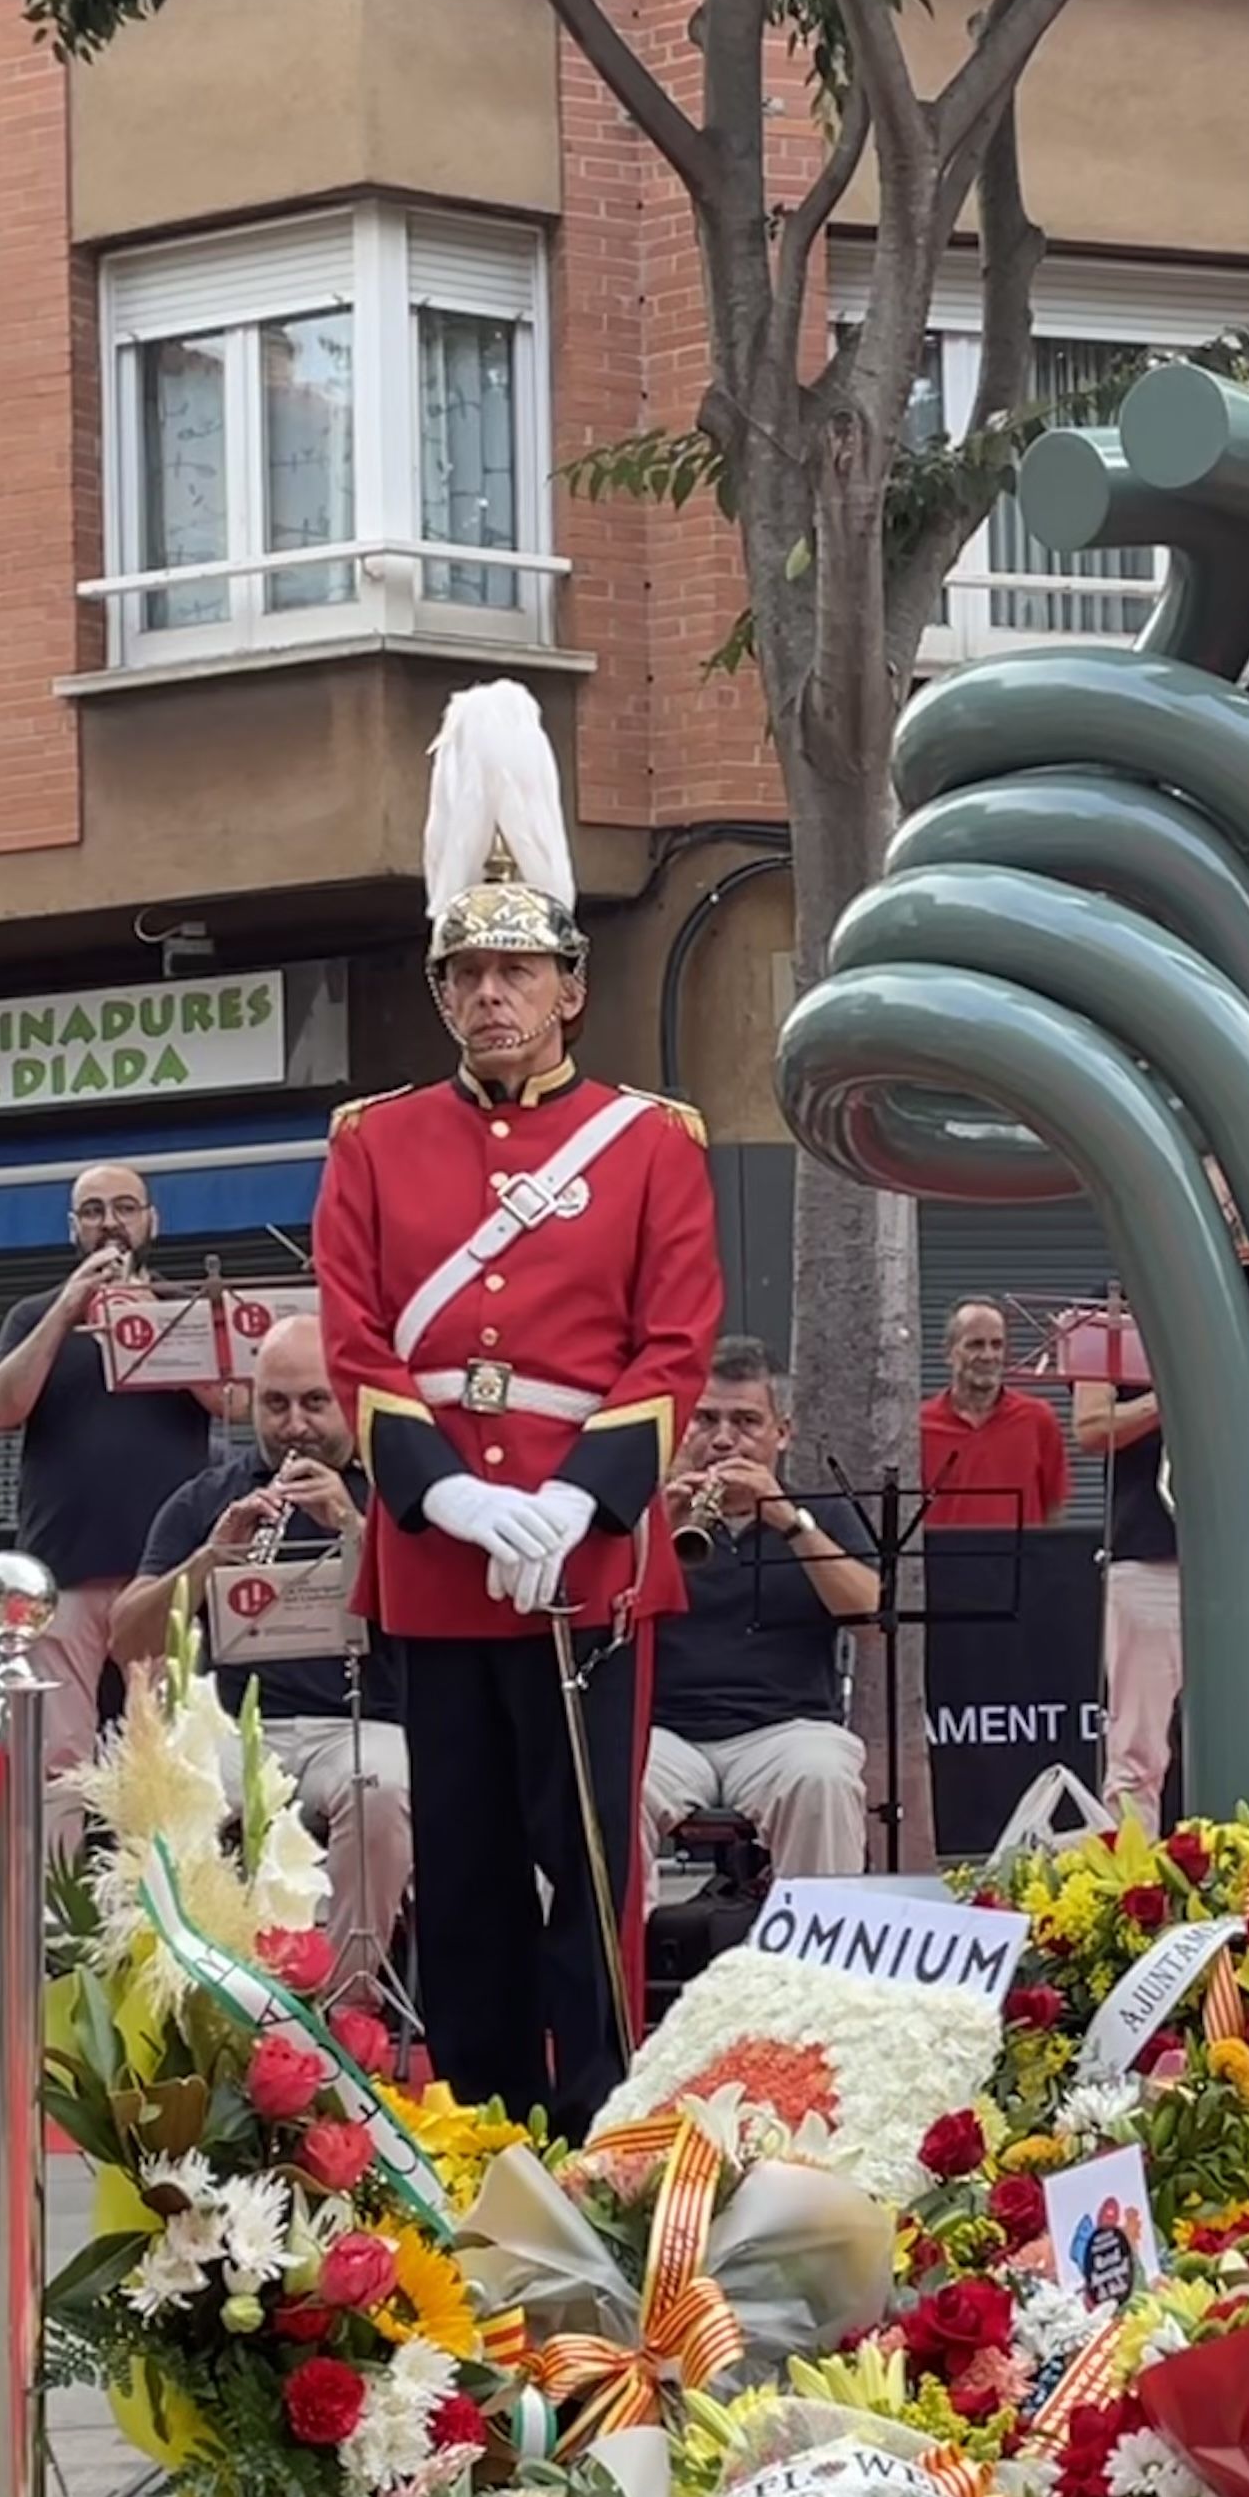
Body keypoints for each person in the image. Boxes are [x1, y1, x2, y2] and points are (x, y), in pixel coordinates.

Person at [318, 680, 720, 2130]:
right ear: (443, 993)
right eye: (465, 974)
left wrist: (571, 1497)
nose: (490, 994)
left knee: (591, 1868)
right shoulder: (373, 1144)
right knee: (471, 1868)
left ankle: (601, 2120)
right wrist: (447, 1491)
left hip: (587, 1563)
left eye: (517, 970)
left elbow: (677, 1342)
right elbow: (357, 1341)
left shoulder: (649, 1143)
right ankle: (479, 2123)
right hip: (440, 1564)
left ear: (569, 987)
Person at [115, 1313, 410, 1995]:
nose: (295, 1426)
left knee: (383, 1790)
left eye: (315, 1403)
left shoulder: (397, 1493)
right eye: (276, 1405)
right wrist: (210, 1558)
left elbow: (435, 1624)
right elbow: (127, 1640)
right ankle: (205, 1997)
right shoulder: (206, 1498)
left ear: (352, 1401)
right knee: (169, 1792)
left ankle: (342, 2004)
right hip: (234, 1728)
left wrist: (353, 1529)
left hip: (363, 1726)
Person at [0, 1162, 232, 1837]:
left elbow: (236, 1402)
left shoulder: (185, 1305)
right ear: (72, 1228)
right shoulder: (34, 1315)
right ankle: (56, 1923)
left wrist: (160, 1323)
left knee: (174, 1753)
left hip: (168, 1565)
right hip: (65, 1563)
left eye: (124, 1207)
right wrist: (67, 1311)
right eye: (93, 1211)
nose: (110, 1223)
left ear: (154, 1220)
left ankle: (172, 1913)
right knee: (57, 1760)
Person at [641, 1340, 881, 1879]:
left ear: (782, 1433)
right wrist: (655, 1529)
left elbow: (873, 1623)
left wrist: (788, 1522)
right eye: (705, 1419)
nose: (724, 1440)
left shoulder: (818, 1514)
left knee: (824, 1777)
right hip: (664, 1731)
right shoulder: (643, 1513)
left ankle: (816, 1959)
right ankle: (608, 1963)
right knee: (604, 1785)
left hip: (786, 1731)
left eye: (747, 1421)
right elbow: (593, 1622)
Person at [1075, 1344, 1180, 1819]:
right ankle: (1131, 1882)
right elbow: (1092, 1426)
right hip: (1149, 1555)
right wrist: (1183, 1391)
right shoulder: (1114, 1304)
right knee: (1138, 1746)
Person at [918, 1300, 1070, 1528]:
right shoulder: (919, 1426)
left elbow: (1054, 1508)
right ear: (948, 1353)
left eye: (997, 1345)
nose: (988, 1356)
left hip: (1019, 1561)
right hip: (943, 1562)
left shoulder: (1038, 1419)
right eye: (975, 1345)